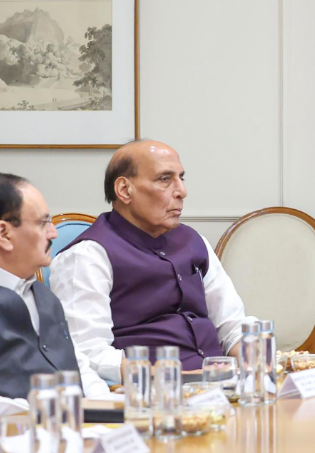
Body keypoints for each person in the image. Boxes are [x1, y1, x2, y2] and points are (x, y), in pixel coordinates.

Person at [49, 140, 254, 380]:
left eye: (181, 178)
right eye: (165, 179)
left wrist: (256, 365)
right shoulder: (87, 256)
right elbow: (86, 353)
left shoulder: (193, 240)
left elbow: (231, 324)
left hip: (221, 388)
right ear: (125, 190)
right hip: (149, 395)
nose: (182, 191)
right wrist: (170, 376)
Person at [0, 174, 111, 422]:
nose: (54, 233)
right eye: (43, 223)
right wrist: (59, 412)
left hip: (78, 440)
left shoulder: (44, 295)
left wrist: (107, 410)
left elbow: (81, 369)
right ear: (4, 233)